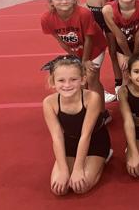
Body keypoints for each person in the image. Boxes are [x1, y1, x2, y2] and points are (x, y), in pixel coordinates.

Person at [42, 56, 111, 196]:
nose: (67, 85)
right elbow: (57, 137)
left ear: (83, 80)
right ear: (53, 82)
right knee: (59, 189)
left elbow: (86, 135)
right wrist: (63, 170)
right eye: (61, 80)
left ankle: (104, 157)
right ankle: (74, 166)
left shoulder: (92, 98)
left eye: (73, 79)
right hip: (70, 143)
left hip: (94, 142)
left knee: (80, 187)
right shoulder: (49, 103)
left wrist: (78, 169)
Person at [41, 0, 108, 107]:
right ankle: (84, 107)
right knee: (80, 79)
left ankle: (102, 112)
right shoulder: (46, 18)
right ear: (51, 2)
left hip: (95, 48)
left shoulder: (84, 14)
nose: (64, 1)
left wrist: (85, 60)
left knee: (91, 76)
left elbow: (89, 39)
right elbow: (60, 40)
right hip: (77, 50)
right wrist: (75, 58)